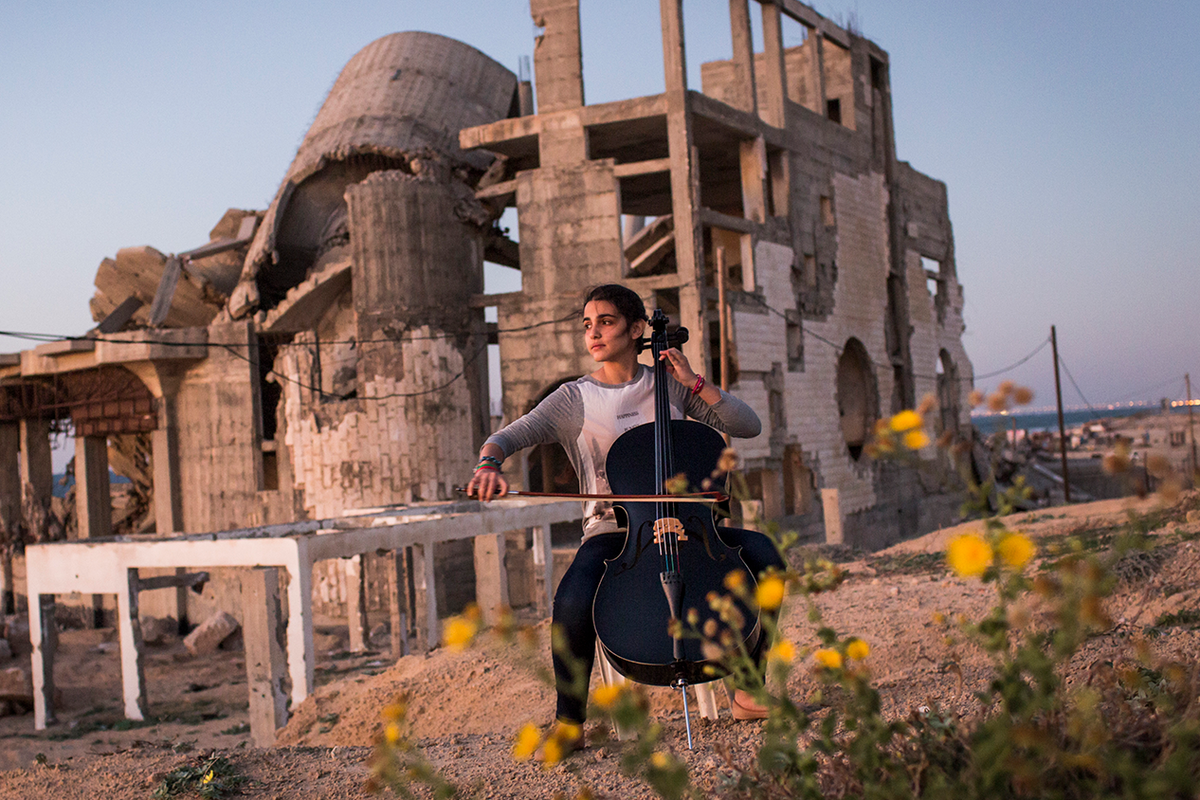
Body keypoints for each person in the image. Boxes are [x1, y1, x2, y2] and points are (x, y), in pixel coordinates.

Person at [467, 284, 783, 752]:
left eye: (606, 322)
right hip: (617, 533)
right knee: (572, 599)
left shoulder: (669, 386)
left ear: (637, 330)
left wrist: (695, 382)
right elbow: (509, 436)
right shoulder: (573, 398)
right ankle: (569, 722)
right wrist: (488, 464)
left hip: (688, 526)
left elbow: (747, 425)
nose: (593, 333)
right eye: (587, 325)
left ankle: (748, 690)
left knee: (766, 556)